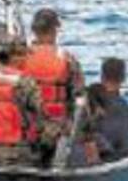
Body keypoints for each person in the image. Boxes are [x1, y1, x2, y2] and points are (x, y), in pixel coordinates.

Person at [0, 38, 46, 167]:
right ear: (14, 57)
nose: (26, 59)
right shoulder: (23, 80)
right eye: (24, 55)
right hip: (17, 150)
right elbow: (41, 112)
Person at [20, 8, 85, 145]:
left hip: (25, 131)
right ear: (55, 30)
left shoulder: (20, 59)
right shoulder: (67, 59)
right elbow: (80, 98)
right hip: (57, 132)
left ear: (33, 30)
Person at [85, 57, 128, 162]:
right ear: (123, 78)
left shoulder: (87, 98)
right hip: (111, 155)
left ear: (102, 77)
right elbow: (126, 143)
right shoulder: (123, 107)